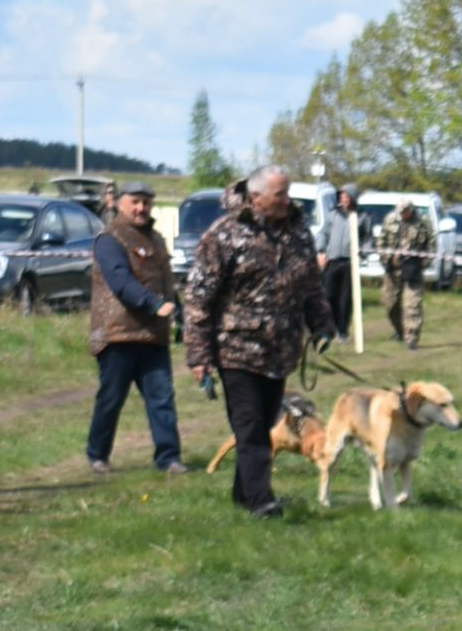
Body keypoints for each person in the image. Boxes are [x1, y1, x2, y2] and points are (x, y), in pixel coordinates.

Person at [182, 165, 327, 517]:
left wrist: (322, 322)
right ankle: (261, 501)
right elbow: (199, 298)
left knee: (261, 425)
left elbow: (309, 284)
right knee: (248, 427)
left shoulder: (297, 232)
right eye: (280, 194)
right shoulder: (225, 234)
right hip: (237, 349)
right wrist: (198, 355)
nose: (287, 200)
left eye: (287, 192)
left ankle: (244, 495)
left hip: (280, 350)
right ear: (256, 196)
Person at [86, 179, 185, 478]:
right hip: (118, 333)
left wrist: (177, 315)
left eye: (146, 202)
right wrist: (154, 305)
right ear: (119, 203)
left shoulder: (156, 238)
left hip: (153, 335)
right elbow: (120, 282)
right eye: (135, 202)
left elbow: (167, 284)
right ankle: (97, 455)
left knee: (162, 398)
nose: (142, 208)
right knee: (111, 399)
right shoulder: (109, 238)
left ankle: (169, 458)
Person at [378, 198, 434, 347]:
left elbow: (432, 243)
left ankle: (412, 337)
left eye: (405, 212)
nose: (402, 215)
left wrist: (424, 263)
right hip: (393, 268)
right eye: (400, 212)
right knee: (390, 304)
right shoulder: (390, 220)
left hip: (413, 269)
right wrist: (384, 259)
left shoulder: (423, 221)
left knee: (412, 305)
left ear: (411, 210)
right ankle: (400, 330)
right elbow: (381, 240)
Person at [320, 185, 359, 345]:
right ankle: (328, 330)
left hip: (350, 262)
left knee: (345, 299)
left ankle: (343, 331)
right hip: (332, 261)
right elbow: (323, 233)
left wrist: (361, 251)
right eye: (342, 196)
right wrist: (321, 251)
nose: (344, 199)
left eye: (347, 196)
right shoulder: (333, 215)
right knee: (328, 296)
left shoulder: (360, 216)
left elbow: (368, 238)